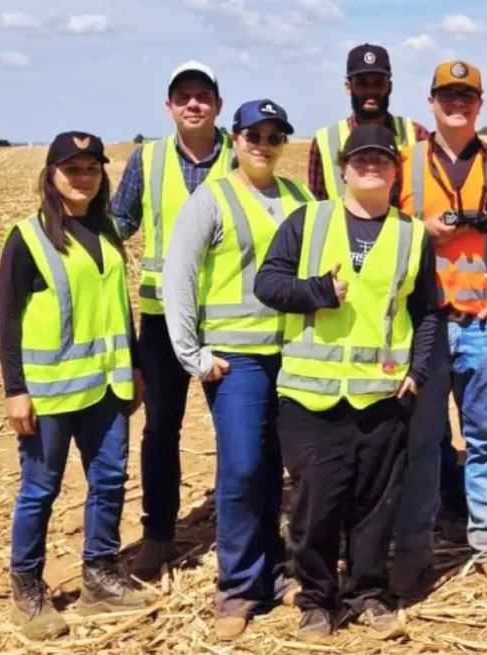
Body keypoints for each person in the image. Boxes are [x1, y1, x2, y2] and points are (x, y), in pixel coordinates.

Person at [253, 123, 439, 643]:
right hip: (311, 397)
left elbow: (426, 313)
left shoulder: (412, 235)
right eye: (361, 159)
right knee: (317, 503)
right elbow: (267, 283)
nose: (370, 166)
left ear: (394, 169)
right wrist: (316, 292)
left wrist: (418, 372)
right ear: (342, 169)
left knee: (376, 504)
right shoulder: (308, 221)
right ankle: (316, 600)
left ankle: (367, 594)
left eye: (381, 159)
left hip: (381, 394)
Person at [161, 99, 311, 640]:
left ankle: (274, 572)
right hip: (236, 359)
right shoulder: (212, 198)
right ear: (236, 137)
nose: (264, 145)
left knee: (275, 467)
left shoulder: (299, 198)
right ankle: (238, 587)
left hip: (291, 356)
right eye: (254, 135)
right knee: (243, 469)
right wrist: (191, 353)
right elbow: (178, 275)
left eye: (275, 137)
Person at [394, 60, 487, 597]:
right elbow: (377, 233)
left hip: (486, 326)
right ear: (430, 102)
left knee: (485, 441)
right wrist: (420, 232)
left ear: (480, 104)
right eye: (447, 95)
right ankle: (418, 547)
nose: (457, 104)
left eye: (467, 96)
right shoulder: (403, 164)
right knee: (422, 441)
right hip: (427, 327)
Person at [0, 132, 153, 640]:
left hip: (107, 388)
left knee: (108, 482)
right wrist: (15, 389)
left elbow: (117, 308)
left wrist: (134, 367)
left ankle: (99, 578)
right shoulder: (28, 237)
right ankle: (27, 588)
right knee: (40, 490)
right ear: (51, 174)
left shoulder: (107, 230)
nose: (82, 177)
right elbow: (7, 320)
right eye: (72, 168)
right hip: (49, 395)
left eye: (91, 168)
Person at [110, 60, 235, 580]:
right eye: (182, 95)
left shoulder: (241, 152)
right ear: (169, 106)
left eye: (202, 95)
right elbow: (118, 222)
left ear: (218, 105)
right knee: (161, 429)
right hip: (163, 320)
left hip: (227, 319)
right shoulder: (149, 158)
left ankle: (238, 533)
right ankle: (159, 535)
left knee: (237, 431)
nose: (193, 103)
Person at [308, 43, 429, 203]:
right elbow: (318, 207)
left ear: (389, 87)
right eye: (362, 83)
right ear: (348, 87)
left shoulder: (416, 134)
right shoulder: (325, 141)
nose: (371, 91)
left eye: (378, 83)